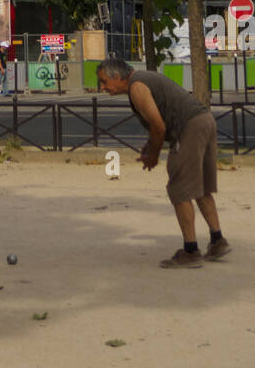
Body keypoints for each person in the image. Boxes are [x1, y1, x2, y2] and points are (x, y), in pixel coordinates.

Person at [97, 58, 230, 268]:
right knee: (201, 186)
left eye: (104, 81)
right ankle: (217, 240)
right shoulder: (142, 79)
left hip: (189, 127)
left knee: (180, 189)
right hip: (204, 120)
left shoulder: (137, 87)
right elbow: (158, 123)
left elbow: (158, 126)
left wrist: (153, 155)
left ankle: (191, 251)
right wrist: (151, 145)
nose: (103, 87)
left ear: (116, 76)